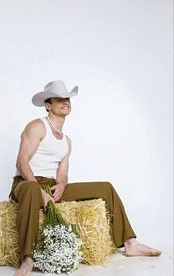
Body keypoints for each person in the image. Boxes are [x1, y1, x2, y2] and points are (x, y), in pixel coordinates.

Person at [9, 80, 162, 276]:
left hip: (50, 186)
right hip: (26, 183)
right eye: (59, 100)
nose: (65, 102)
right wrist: (38, 190)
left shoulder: (66, 141)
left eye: (67, 99)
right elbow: (21, 162)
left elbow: (62, 173)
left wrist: (62, 185)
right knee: (31, 189)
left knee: (105, 187)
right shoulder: (37, 126)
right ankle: (27, 259)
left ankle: (130, 243)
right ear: (48, 105)